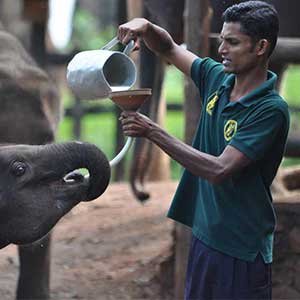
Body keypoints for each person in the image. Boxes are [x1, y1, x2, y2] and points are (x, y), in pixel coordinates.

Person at [118, 1, 290, 299]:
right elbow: (170, 48)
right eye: (221, 39)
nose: (222, 49)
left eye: (232, 42)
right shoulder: (216, 79)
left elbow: (219, 169)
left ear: (261, 47)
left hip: (241, 248)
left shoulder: (269, 110)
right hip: (204, 237)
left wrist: (154, 132)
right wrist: (146, 28)